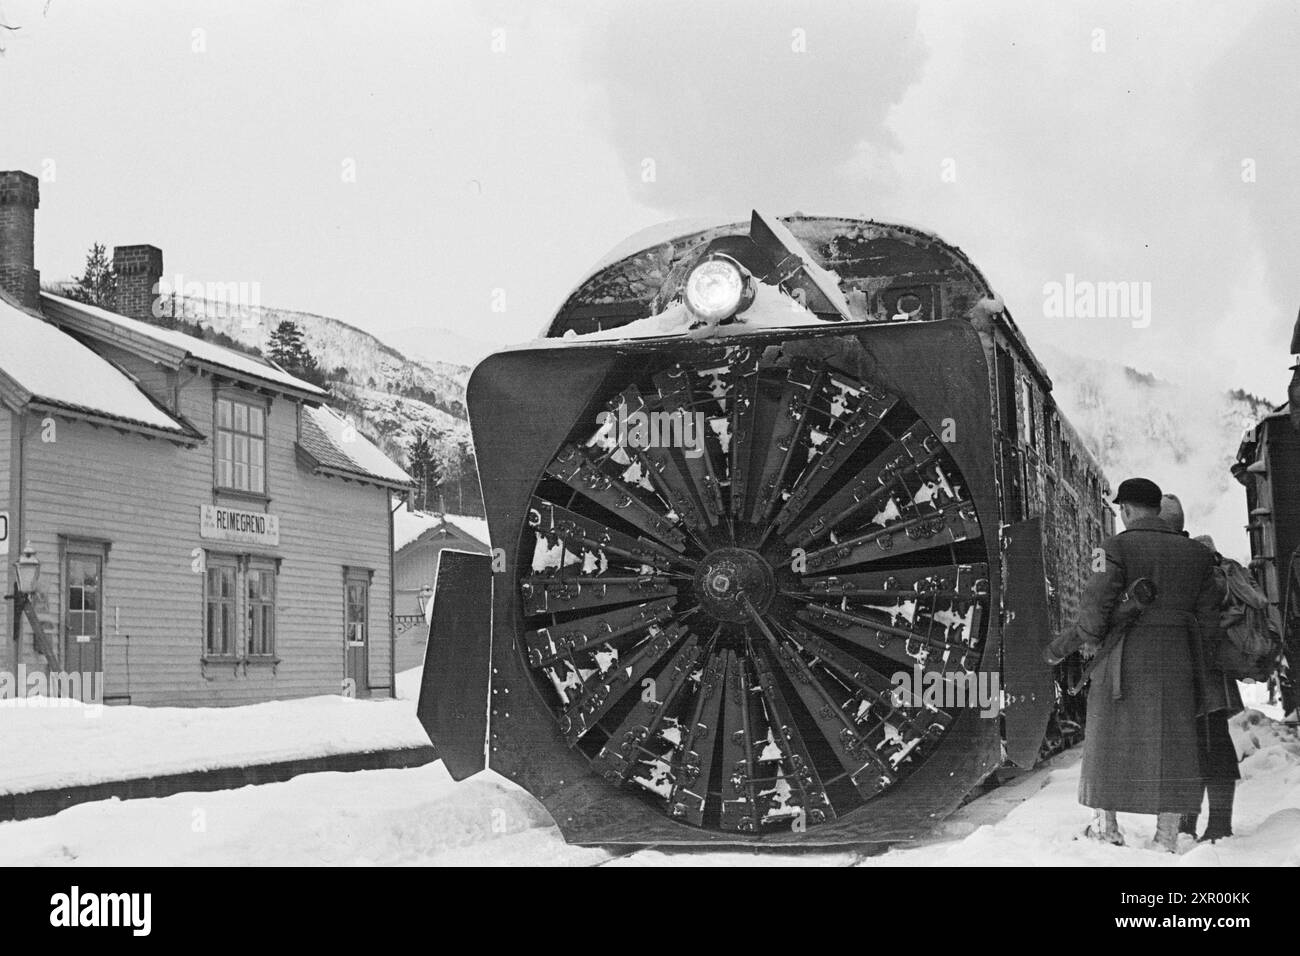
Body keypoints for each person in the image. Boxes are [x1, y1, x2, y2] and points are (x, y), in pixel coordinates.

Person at [1072, 478, 1222, 851]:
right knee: (1174, 745)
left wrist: (1089, 640)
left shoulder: (1108, 548)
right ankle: (1166, 837)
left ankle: (1108, 829)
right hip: (1177, 661)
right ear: (1157, 508)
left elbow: (1093, 612)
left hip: (1121, 658)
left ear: (1125, 510)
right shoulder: (1199, 556)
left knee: (1106, 742)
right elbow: (1209, 623)